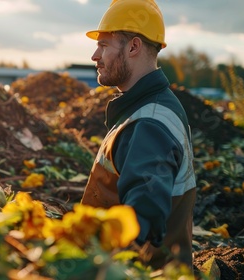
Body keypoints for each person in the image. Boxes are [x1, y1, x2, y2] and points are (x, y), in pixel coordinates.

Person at [81, 0, 197, 270]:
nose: (95, 56)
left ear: (133, 46)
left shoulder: (148, 123)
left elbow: (142, 218)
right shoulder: (150, 107)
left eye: (104, 45)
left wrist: (92, 269)